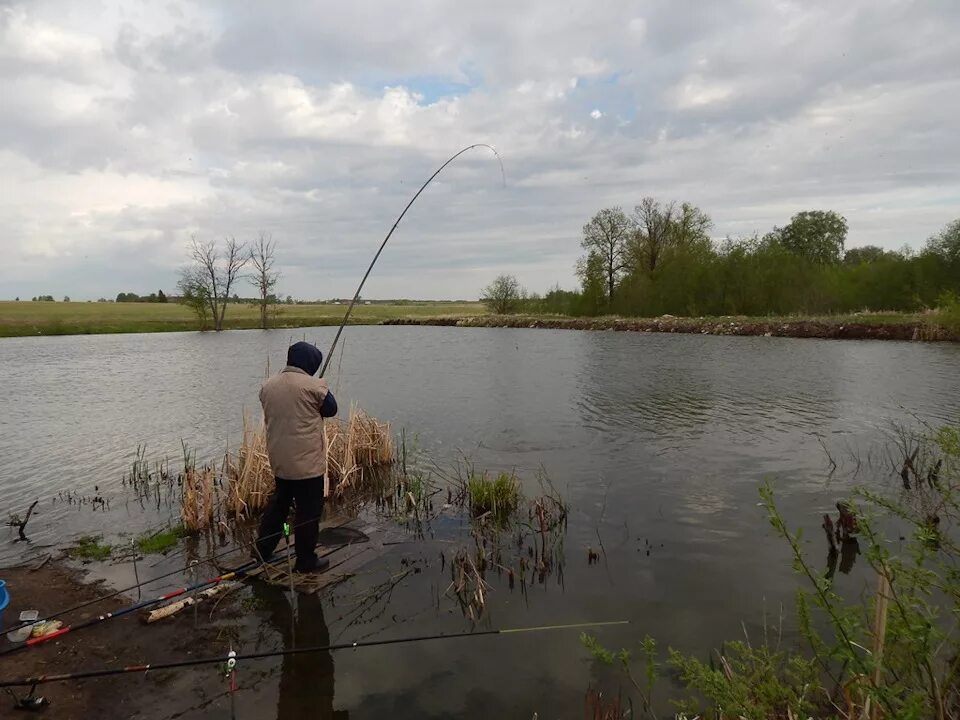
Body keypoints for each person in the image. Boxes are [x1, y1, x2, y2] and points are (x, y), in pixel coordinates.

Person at [255, 341, 338, 572]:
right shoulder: (314, 386)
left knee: (279, 507)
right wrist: (319, 385)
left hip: (280, 461)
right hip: (307, 465)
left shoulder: (267, 386)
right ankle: (305, 560)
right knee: (308, 512)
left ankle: (262, 551)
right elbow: (331, 409)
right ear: (310, 363)